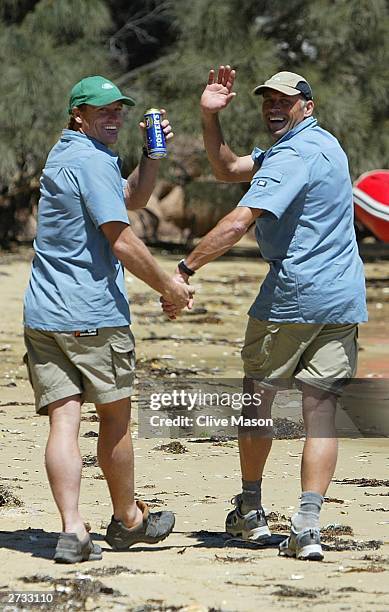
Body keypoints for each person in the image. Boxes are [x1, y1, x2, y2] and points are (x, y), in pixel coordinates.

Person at [162, 66, 367, 561]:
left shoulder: (291, 156)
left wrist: (184, 270)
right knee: (321, 411)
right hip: (343, 297)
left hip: (294, 295)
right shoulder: (325, 146)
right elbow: (228, 168)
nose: (274, 107)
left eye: (285, 101)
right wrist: (211, 119)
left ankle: (251, 510)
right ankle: (308, 526)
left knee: (258, 398)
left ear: (307, 106)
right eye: (268, 101)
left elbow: (237, 222)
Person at [23, 75, 194, 563]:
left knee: (63, 423)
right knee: (115, 421)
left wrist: (153, 155)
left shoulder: (66, 154)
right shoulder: (92, 161)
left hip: (45, 314)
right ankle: (129, 520)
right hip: (92, 315)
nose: (114, 116)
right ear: (78, 113)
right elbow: (121, 237)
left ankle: (72, 530)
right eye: (104, 110)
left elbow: (131, 198)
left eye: (119, 109)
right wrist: (170, 286)